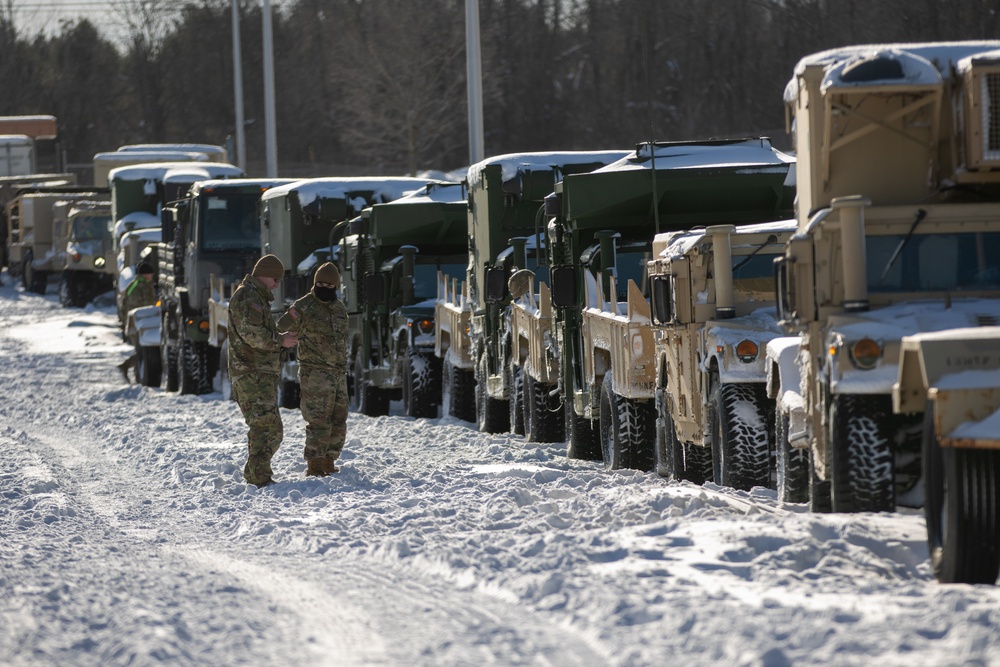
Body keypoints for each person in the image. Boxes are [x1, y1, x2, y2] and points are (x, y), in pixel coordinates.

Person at [228, 254, 298, 487]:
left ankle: (257, 474)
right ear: (265, 275)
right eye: (275, 279)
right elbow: (252, 334)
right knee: (267, 428)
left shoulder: (254, 296)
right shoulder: (248, 297)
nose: (277, 285)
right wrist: (280, 341)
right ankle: (258, 476)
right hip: (251, 373)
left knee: (266, 427)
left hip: (257, 373)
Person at [277, 262, 349, 477]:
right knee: (318, 419)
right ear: (314, 283)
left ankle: (329, 459)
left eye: (329, 284)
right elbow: (280, 329)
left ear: (335, 286)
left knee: (339, 418)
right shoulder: (303, 306)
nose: (324, 287)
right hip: (315, 372)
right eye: (320, 283)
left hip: (338, 373)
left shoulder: (339, 308)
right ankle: (315, 464)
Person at [117, 262, 157, 382]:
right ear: (145, 274)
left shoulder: (134, 285)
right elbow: (145, 307)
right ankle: (127, 367)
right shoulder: (142, 287)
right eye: (150, 274)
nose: (151, 276)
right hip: (138, 323)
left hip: (132, 323)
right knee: (142, 351)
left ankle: (137, 375)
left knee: (140, 350)